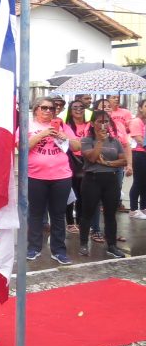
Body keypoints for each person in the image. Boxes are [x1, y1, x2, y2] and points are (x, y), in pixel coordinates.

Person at [25, 96, 80, 265]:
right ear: (36, 109)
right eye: (44, 107)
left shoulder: (62, 125)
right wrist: (43, 134)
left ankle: (59, 251)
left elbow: (77, 147)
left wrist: (65, 137)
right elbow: (22, 146)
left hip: (61, 176)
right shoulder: (27, 125)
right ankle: (34, 248)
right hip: (35, 176)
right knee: (35, 214)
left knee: (58, 214)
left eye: (52, 108)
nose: (48, 111)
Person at [79, 110, 127, 259]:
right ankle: (83, 244)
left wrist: (107, 163)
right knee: (87, 212)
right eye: (100, 121)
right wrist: (99, 142)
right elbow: (92, 158)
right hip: (92, 179)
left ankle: (112, 245)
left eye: (106, 121)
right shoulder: (87, 140)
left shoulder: (115, 141)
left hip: (111, 179)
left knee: (110, 214)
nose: (103, 125)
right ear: (92, 124)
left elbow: (123, 160)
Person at [64, 99, 91, 233]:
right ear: (70, 110)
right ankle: (70, 222)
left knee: (83, 194)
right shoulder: (66, 126)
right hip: (72, 161)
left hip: (88, 160)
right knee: (71, 193)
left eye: (81, 107)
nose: (78, 109)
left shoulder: (90, 125)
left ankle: (80, 222)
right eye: (75, 107)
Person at [127, 99, 146, 219]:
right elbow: (139, 139)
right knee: (138, 182)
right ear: (140, 108)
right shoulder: (136, 121)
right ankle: (133, 209)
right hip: (139, 154)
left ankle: (143, 208)